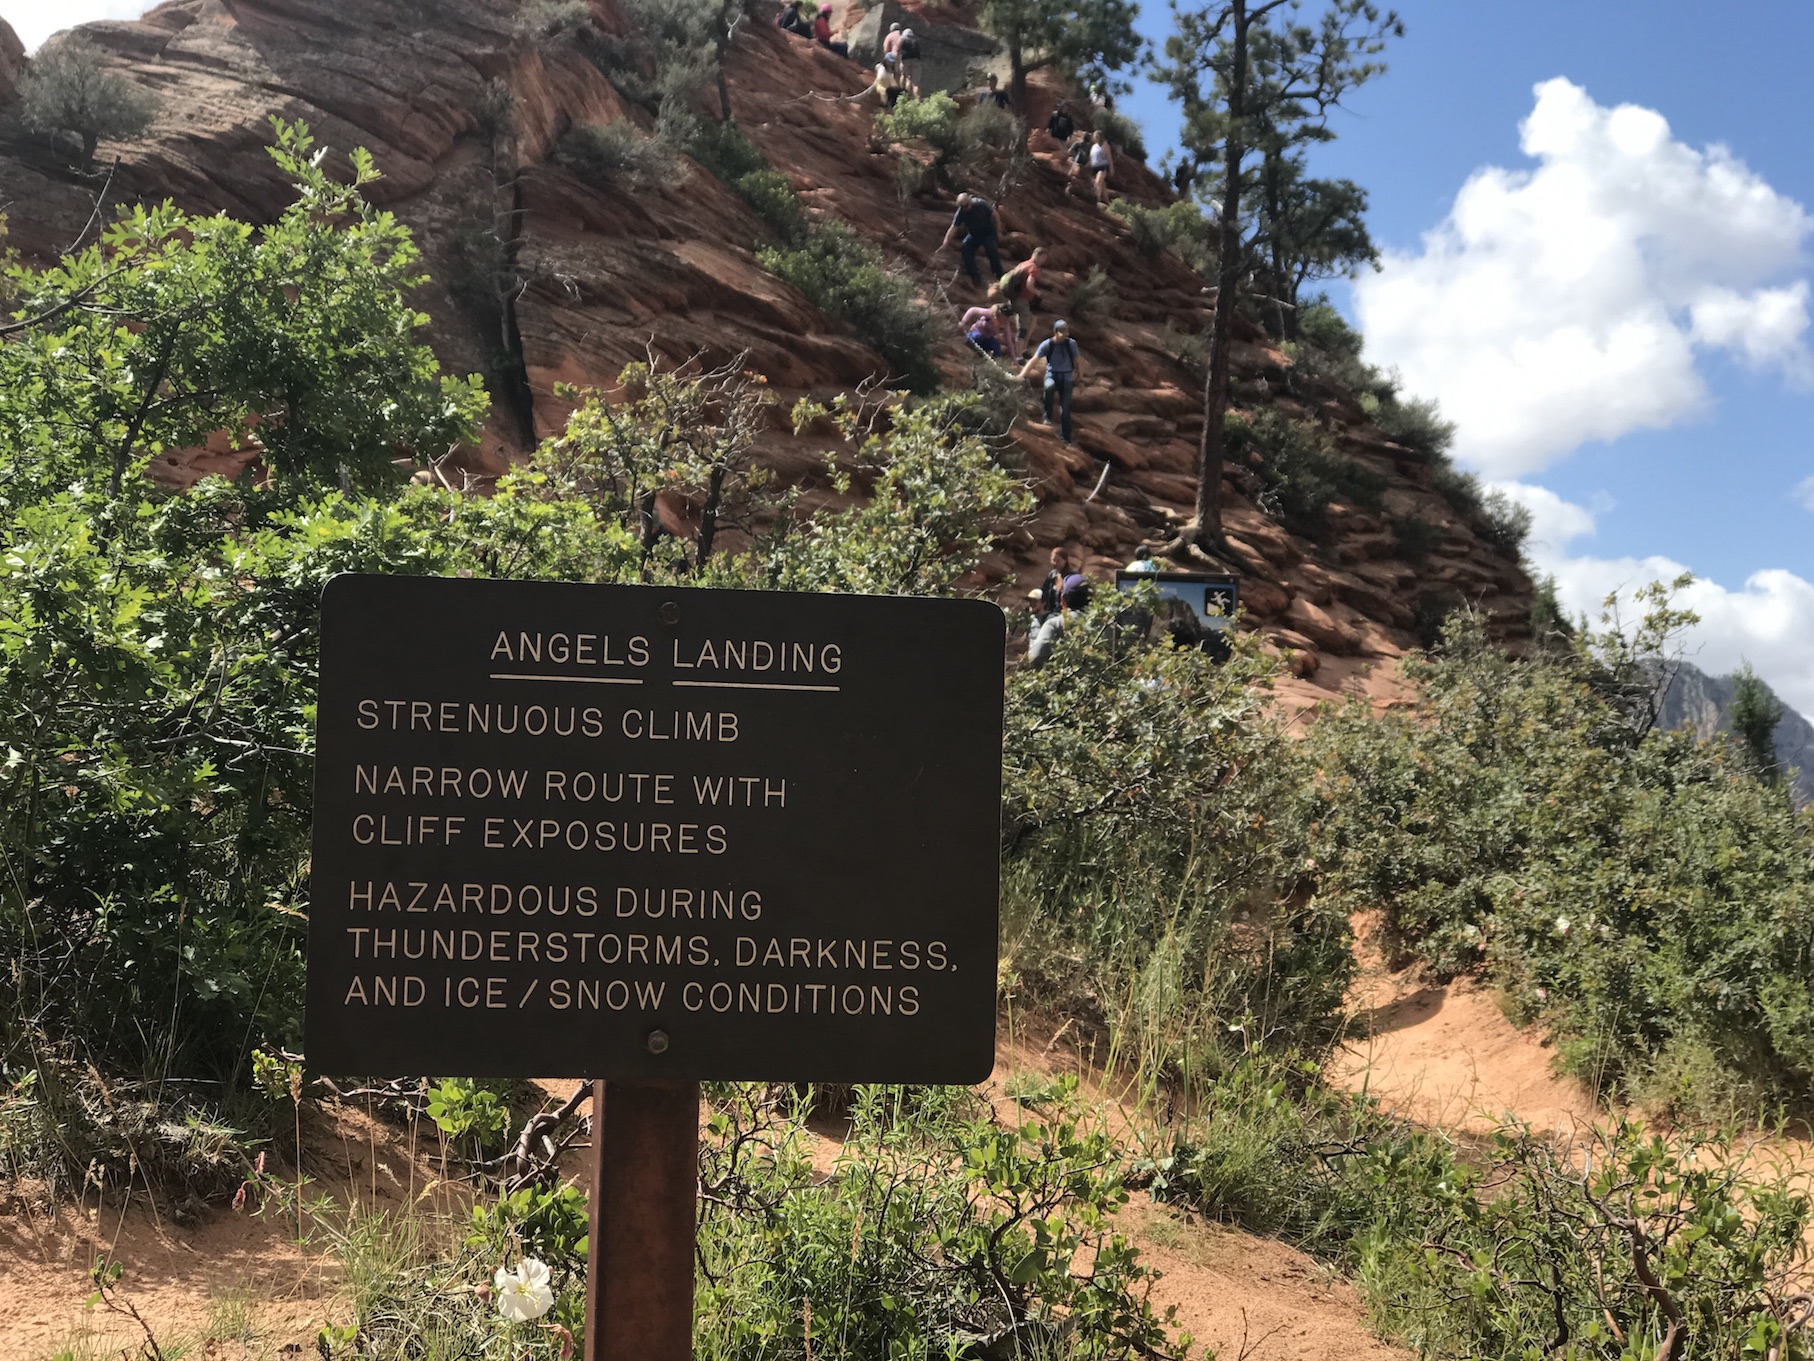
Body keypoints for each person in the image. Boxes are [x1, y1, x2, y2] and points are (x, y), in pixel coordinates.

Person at [1017, 317, 1079, 445]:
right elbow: (1034, 360)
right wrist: (1022, 375)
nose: (1064, 336)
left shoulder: (1071, 343)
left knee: (1065, 410)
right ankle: (1047, 417)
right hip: (1052, 374)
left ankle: (1066, 438)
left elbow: (1076, 361)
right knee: (1049, 387)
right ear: (1055, 332)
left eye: (1065, 333)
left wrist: (1080, 376)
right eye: (1061, 333)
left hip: (1066, 376)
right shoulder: (1048, 344)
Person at [941, 192, 1005, 288]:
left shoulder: (980, 204)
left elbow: (995, 215)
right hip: (974, 234)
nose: (966, 208)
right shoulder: (961, 212)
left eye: (966, 205)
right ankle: (975, 276)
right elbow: (953, 228)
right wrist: (945, 243)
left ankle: (999, 274)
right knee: (966, 249)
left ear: (970, 201)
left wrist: (999, 231)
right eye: (963, 207)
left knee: (991, 250)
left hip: (988, 232)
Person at [992, 246, 1046, 339]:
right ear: (1037, 255)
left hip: (1015, 297)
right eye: (1043, 258)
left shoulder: (1023, 264)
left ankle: (994, 320)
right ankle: (1019, 351)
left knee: (1006, 313)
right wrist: (1037, 292)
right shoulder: (1034, 268)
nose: (1043, 261)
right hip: (1022, 299)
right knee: (1023, 327)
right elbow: (1029, 285)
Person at [1026, 588, 1065, 668]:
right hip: (1033, 663)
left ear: (1043, 603)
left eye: (1034, 601)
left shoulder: (1050, 620)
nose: (1031, 604)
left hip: (1046, 665)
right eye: (1030, 601)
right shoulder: (1031, 619)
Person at [1088, 130, 1114, 204]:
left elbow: (1109, 157)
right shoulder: (1094, 146)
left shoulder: (1105, 145)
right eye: (1094, 137)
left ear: (1100, 137)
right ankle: (1107, 201)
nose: (1095, 138)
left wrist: (1111, 168)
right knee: (1102, 185)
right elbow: (1091, 157)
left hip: (1102, 166)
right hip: (1094, 167)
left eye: (1097, 136)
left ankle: (1096, 199)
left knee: (1098, 182)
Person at [897, 26, 923, 95]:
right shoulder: (916, 41)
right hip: (916, 61)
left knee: (906, 77)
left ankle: (904, 95)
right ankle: (917, 100)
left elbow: (898, 49)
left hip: (906, 60)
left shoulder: (903, 38)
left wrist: (898, 60)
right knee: (915, 84)